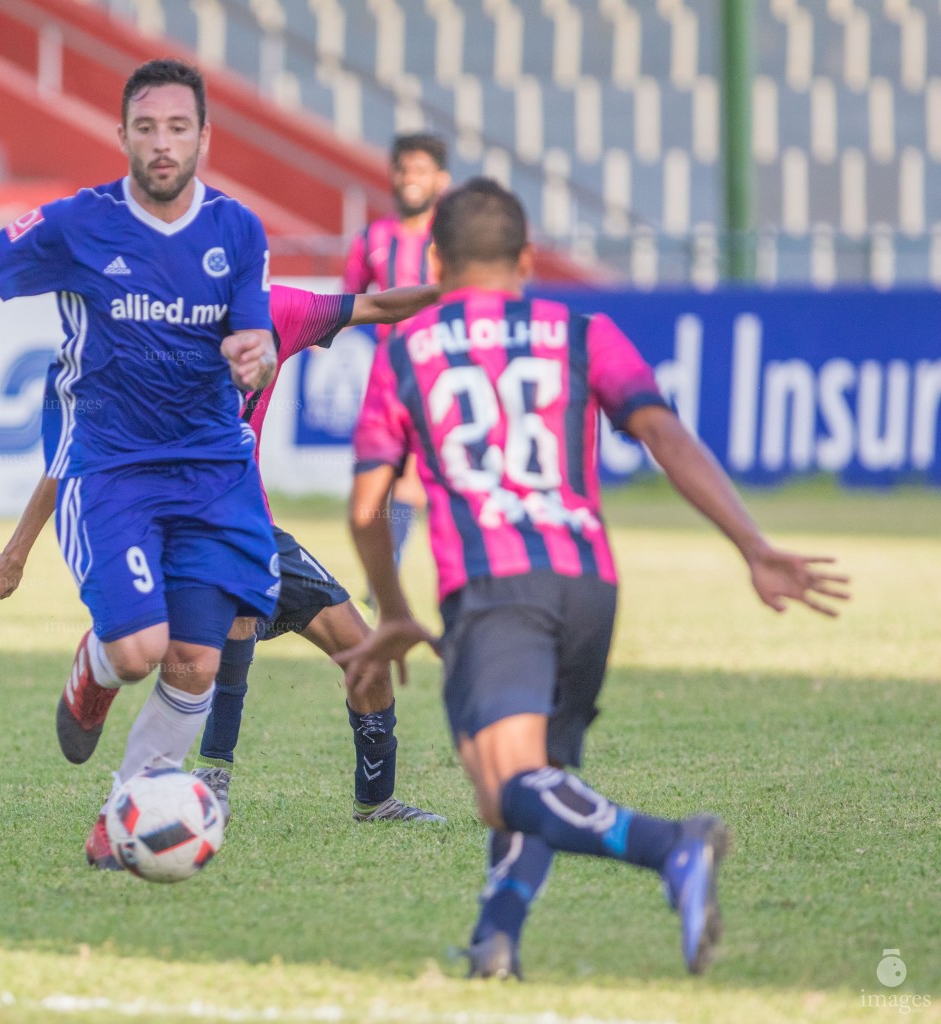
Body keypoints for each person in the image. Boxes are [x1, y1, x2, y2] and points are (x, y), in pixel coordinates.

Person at [336, 178, 849, 978]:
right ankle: (495, 944)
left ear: (435, 261)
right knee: (527, 781)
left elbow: (369, 506)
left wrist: (394, 611)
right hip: (589, 586)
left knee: (509, 790)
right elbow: (666, 437)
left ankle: (672, 845)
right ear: (528, 259)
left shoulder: (408, 350)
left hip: (497, 585)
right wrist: (751, 543)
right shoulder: (583, 333)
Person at [0, 58, 281, 870]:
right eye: (147, 128)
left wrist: (257, 354)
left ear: (204, 136)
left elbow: (255, 336)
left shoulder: (239, 231)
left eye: (179, 128)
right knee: (141, 649)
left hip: (214, 469)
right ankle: (94, 668)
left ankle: (125, 815)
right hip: (110, 465)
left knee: (196, 660)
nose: (163, 144)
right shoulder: (78, 224)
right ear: (124, 137)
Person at [0, 280, 448, 826]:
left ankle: (377, 801)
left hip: (249, 523)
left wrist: (460, 288)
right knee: (225, 618)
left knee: (364, 653)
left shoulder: (280, 309)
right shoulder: (146, 339)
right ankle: (208, 773)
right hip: (168, 530)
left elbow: (380, 305)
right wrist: (16, 553)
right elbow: (72, 454)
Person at [344, 134, 454, 573]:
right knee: (370, 486)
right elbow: (346, 300)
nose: (410, 179)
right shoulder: (371, 237)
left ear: (440, 180)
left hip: (438, 368)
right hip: (385, 374)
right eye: (404, 169)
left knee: (416, 472)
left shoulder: (451, 239)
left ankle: (390, 561)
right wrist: (311, 338)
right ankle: (383, 562)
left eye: (421, 171)